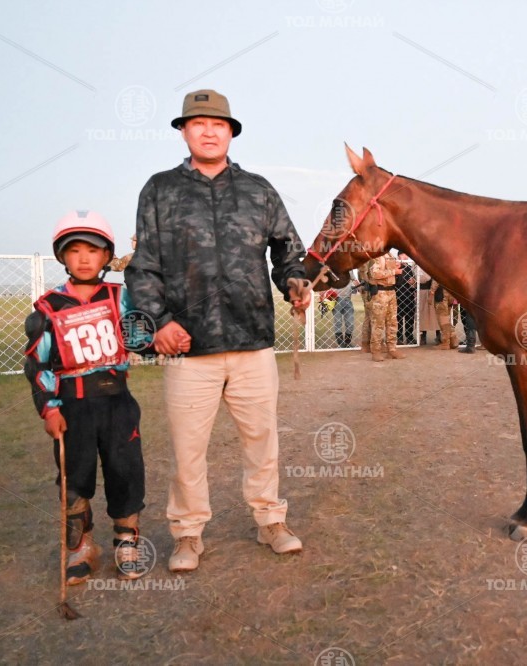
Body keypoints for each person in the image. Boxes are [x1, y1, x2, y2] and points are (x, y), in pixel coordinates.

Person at [125, 89, 312, 572]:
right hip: (188, 347)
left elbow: (287, 250)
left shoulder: (258, 190)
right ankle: (188, 534)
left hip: (252, 342)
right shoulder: (160, 190)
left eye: (218, 125)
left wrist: (295, 281)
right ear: (184, 132)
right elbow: (143, 266)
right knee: (188, 451)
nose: (209, 132)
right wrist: (159, 323)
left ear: (231, 132)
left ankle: (270, 520)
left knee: (262, 441)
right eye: (198, 124)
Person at [24, 211, 149, 584]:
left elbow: (142, 339)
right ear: (62, 256)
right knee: (74, 476)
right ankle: (81, 548)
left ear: (107, 256)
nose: (83, 258)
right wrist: (49, 408)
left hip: (117, 403)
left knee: (125, 470)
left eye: (92, 251)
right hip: (72, 407)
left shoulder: (120, 297)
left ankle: (126, 543)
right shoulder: (48, 307)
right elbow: (37, 364)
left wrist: (144, 291)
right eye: (74, 250)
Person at [368, 250, 406, 361]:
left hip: (391, 292)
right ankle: (376, 351)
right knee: (378, 323)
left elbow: (387, 268)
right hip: (380, 293)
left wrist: (396, 266)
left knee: (392, 322)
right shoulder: (376, 255)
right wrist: (394, 271)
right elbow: (375, 274)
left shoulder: (389, 255)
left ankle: (392, 349)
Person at [428, 279, 459, 349]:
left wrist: (431, 293)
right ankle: (453, 340)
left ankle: (445, 343)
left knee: (443, 320)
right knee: (446, 320)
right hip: (451, 294)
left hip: (441, 294)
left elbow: (436, 279)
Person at [395, 251, 417, 345]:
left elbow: (414, 283)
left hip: (409, 296)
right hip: (398, 296)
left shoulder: (409, 268)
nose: (407, 256)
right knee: (398, 318)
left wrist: (413, 283)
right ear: (399, 256)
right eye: (404, 254)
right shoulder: (395, 267)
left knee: (410, 318)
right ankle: (399, 338)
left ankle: (409, 337)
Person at [416, 265, 438, 345]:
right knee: (423, 315)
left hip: (433, 292)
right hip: (422, 292)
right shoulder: (417, 266)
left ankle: (439, 335)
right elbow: (421, 279)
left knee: (435, 315)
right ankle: (423, 336)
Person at [358, 261, 377, 353]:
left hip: (371, 289)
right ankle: (367, 344)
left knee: (371, 317)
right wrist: (371, 283)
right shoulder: (367, 259)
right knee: (370, 317)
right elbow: (363, 274)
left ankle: (368, 344)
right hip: (369, 290)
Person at [333, 280, 355, 348]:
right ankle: (341, 344)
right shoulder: (334, 278)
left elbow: (355, 291)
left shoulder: (349, 279)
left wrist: (355, 285)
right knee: (338, 322)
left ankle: (347, 343)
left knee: (350, 323)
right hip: (337, 300)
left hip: (348, 300)